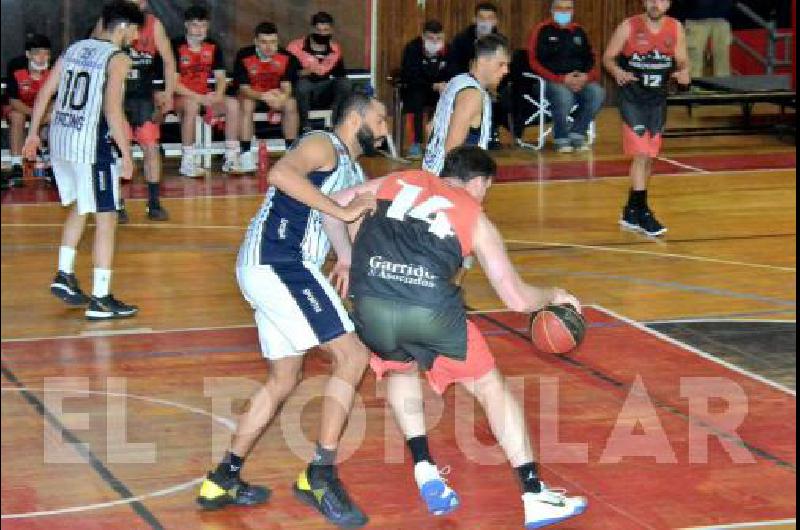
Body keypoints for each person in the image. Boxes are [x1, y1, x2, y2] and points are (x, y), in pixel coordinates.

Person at [322, 145, 588, 529]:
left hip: (371, 303)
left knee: (400, 370)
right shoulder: (473, 214)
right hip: (429, 309)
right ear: (479, 182)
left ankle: (426, 469)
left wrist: (346, 256)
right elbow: (515, 298)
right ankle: (534, 494)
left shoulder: (399, 180)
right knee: (490, 388)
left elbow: (333, 204)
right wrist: (553, 296)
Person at [196, 92, 389, 529]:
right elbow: (281, 174)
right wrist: (342, 210)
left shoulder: (353, 169)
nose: (384, 129)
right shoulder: (323, 143)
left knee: (285, 377)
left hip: (268, 267)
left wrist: (345, 258)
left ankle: (222, 478)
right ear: (355, 116)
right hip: (280, 261)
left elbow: (336, 222)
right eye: (379, 119)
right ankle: (319, 474)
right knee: (352, 356)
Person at [22, 1, 143, 320]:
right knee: (107, 216)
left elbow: (45, 91)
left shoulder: (74, 48)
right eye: (135, 31)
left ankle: (64, 274)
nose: (135, 38)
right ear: (124, 28)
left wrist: (33, 133)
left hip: (60, 138)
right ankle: (101, 298)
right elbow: (113, 110)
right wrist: (127, 154)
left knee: (80, 204)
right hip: (90, 145)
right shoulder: (118, 59)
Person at [603, 0, 690, 236]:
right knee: (641, 155)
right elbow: (608, 57)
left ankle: (631, 210)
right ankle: (643, 213)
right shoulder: (629, 26)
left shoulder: (675, 28)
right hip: (633, 99)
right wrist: (618, 71)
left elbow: (681, 60)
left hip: (657, 100)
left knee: (649, 157)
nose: (655, 3)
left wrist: (683, 72)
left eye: (660, 0)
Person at [108, 0, 175, 222]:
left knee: (151, 147)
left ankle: (154, 203)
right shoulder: (110, 22)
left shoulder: (154, 24)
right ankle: (116, 204)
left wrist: (169, 92)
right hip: (117, 98)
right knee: (117, 151)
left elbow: (168, 61)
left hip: (142, 97)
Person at [423, 33, 509, 176]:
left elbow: (429, 128)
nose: (506, 70)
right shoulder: (472, 96)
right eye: (501, 64)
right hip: (451, 181)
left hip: (433, 173)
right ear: (482, 61)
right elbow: (452, 150)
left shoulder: (456, 82)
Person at [528, 0, 606, 153]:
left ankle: (577, 133)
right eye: (559, 8)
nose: (563, 11)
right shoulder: (541, 30)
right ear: (551, 10)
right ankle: (561, 137)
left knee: (598, 93)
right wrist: (562, 79)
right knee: (564, 95)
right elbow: (533, 61)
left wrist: (586, 77)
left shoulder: (579, 31)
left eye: (567, 8)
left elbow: (593, 59)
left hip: (580, 80)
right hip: (549, 81)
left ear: (573, 10)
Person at [173, 4, 240, 177]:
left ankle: (231, 158)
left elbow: (220, 77)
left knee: (232, 104)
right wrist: (198, 98)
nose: (199, 30)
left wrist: (218, 94)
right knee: (191, 106)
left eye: (203, 25)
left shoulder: (213, 46)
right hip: (181, 97)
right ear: (186, 25)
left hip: (205, 96)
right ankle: (187, 161)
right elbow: (173, 84)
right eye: (195, 25)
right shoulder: (175, 46)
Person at [231, 22, 299, 172]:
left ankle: (290, 153)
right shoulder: (244, 56)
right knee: (246, 104)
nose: (269, 47)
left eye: (273, 42)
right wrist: (264, 96)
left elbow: (287, 87)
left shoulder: (287, 57)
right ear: (256, 41)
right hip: (253, 94)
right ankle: (246, 153)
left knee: (290, 104)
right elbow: (244, 88)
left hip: (275, 95)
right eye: (264, 42)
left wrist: (280, 99)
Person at [446, 2, 507, 149]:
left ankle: (492, 134)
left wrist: (495, 85)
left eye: (489, 18)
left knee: (506, 96)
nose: (485, 22)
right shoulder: (461, 40)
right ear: (474, 19)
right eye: (481, 18)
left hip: (494, 84)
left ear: (496, 21)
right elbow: (453, 66)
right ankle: (467, 136)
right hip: (466, 83)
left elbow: (505, 68)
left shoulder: (501, 41)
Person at [287, 11, 351, 133]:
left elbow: (341, 75)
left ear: (331, 31)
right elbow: (287, 76)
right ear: (312, 29)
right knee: (303, 85)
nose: (322, 34)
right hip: (302, 91)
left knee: (345, 84)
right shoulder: (295, 47)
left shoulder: (335, 49)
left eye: (326, 30)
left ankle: (336, 123)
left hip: (325, 91)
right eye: (318, 30)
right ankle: (305, 126)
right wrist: (306, 72)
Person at [5, 34, 52, 188]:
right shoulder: (16, 67)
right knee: (16, 117)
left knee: (56, 117)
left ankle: (51, 163)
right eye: (38, 53)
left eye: (46, 53)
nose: (42, 58)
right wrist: (35, 115)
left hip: (43, 108)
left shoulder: (53, 70)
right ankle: (17, 165)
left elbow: (55, 99)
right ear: (28, 54)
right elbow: (13, 100)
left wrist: (44, 115)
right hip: (20, 106)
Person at [400, 20, 449, 159]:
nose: (435, 42)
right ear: (423, 37)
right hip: (417, 89)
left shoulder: (448, 50)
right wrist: (431, 85)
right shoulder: (412, 48)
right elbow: (409, 75)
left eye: (438, 38)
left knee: (449, 98)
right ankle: (415, 143)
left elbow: (454, 72)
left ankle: (439, 142)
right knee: (415, 98)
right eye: (430, 38)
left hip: (440, 90)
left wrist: (444, 84)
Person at [683, 0, 733, 78]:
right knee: (693, 60)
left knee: (722, 61)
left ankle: (723, 87)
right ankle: (693, 87)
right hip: (695, 18)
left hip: (722, 17)